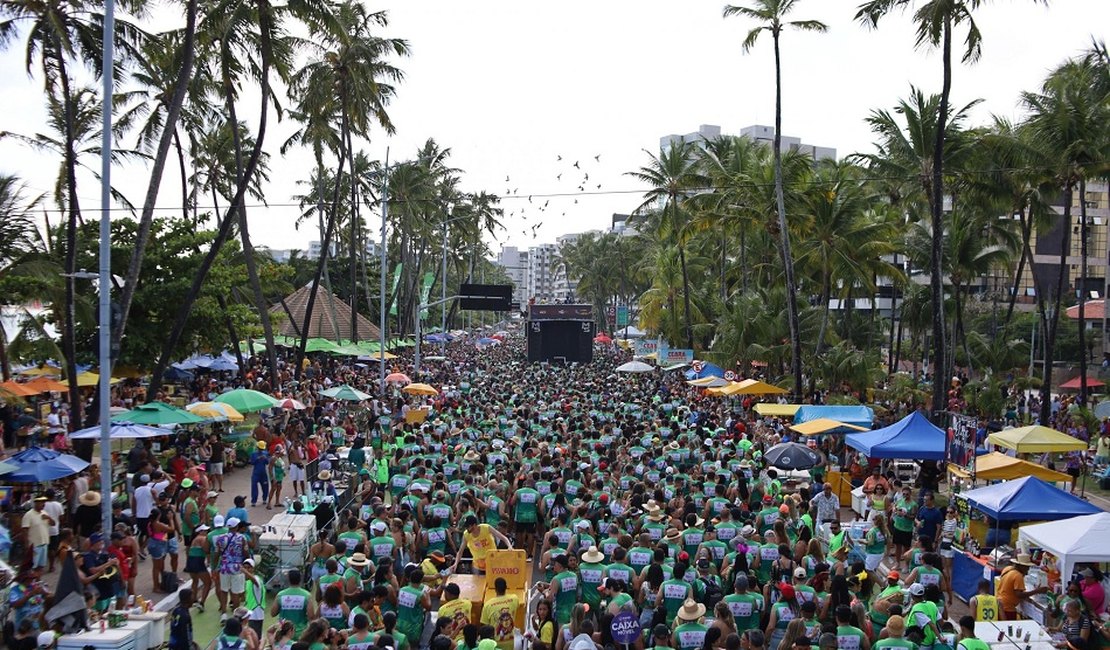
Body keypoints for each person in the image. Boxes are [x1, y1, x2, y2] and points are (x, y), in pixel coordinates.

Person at [996, 554, 1047, 620]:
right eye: (1026, 567)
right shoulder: (1018, 575)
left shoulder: (1007, 569)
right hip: (1008, 608)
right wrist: (1037, 591)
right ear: (1021, 566)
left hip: (1000, 603)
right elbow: (1019, 594)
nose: (1028, 569)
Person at [271, 568, 313, 636]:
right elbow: (311, 616)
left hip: (284, 632)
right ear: (300, 579)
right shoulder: (307, 595)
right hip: (300, 632)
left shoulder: (280, 595)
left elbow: (273, 613)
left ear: (288, 579)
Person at [482, 577, 520, 650]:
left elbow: (484, 626)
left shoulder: (488, 605)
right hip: (511, 643)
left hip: (494, 645)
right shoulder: (514, 599)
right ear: (506, 587)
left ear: (495, 589)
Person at [24, 496, 54, 570]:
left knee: (41, 566)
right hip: (34, 545)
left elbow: (53, 524)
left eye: (44, 503)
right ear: (36, 503)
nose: (43, 504)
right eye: (41, 503)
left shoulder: (44, 513)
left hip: (44, 543)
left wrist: (49, 518)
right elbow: (25, 530)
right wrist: (27, 545)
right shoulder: (29, 515)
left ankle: (38, 580)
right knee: (33, 566)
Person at [242, 558, 266, 638]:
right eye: (245, 567)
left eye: (249, 567)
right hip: (250, 614)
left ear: (253, 568)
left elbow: (255, 581)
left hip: (256, 614)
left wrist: (244, 571)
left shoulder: (257, 579)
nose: (246, 569)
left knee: (255, 638)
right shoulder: (247, 582)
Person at [249, 441, 270, 507]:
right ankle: (254, 501)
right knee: (254, 486)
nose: (261, 450)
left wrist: (265, 458)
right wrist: (257, 459)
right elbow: (251, 462)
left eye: (262, 449)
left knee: (265, 486)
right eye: (260, 449)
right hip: (256, 472)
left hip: (263, 472)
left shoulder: (266, 453)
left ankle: (264, 499)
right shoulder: (254, 454)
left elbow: (267, 462)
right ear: (257, 447)